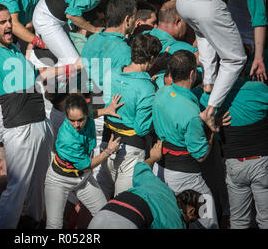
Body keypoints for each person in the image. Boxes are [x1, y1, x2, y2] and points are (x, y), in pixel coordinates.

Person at [0, 0, 81, 228]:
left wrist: (71, 68)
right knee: (17, 190)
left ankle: (34, 226)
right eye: (3, 23)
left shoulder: (16, 51)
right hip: (20, 128)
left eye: (10, 21)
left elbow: (39, 76)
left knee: (41, 185)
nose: (9, 26)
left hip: (40, 124)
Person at [176, 0, 268, 132]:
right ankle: (210, 111)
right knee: (235, 60)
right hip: (208, 2)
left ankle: (208, 84)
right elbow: (259, 17)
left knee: (203, 33)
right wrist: (258, 56)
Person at [152, 50, 219, 229]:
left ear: (171, 74)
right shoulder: (191, 115)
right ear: (192, 74)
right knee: (208, 217)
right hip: (185, 176)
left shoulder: (161, 93)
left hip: (159, 170)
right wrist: (211, 130)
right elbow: (201, 155)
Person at [33, 0, 140, 66]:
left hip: (50, 9)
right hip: (47, 19)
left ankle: (41, 70)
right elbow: (72, 14)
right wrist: (93, 29)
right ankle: (43, 80)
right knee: (73, 63)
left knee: (59, 55)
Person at [196, 75, 268, 228]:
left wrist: (216, 121)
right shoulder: (259, 88)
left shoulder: (213, 95)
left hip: (235, 164)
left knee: (238, 220)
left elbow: (202, 108)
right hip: (261, 163)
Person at [44, 93, 122, 229]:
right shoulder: (67, 138)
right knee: (54, 225)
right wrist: (109, 151)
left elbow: (93, 113)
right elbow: (87, 166)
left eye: (80, 120)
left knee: (104, 215)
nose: (76, 125)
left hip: (82, 180)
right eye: (71, 120)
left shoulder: (88, 115)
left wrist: (107, 110)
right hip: (59, 180)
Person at [98, 34, 161, 199]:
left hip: (106, 143)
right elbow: (142, 128)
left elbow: (104, 105)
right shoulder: (147, 88)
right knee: (123, 204)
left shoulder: (110, 73)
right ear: (152, 58)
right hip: (130, 151)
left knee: (98, 201)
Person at [89, 141, 204, 229]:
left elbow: (140, 167)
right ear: (191, 211)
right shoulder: (175, 223)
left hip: (101, 216)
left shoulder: (159, 186)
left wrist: (153, 157)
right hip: (127, 223)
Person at [81, 0, 137, 106]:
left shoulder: (92, 38)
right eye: (135, 17)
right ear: (127, 19)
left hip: (86, 99)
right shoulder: (124, 50)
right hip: (105, 104)